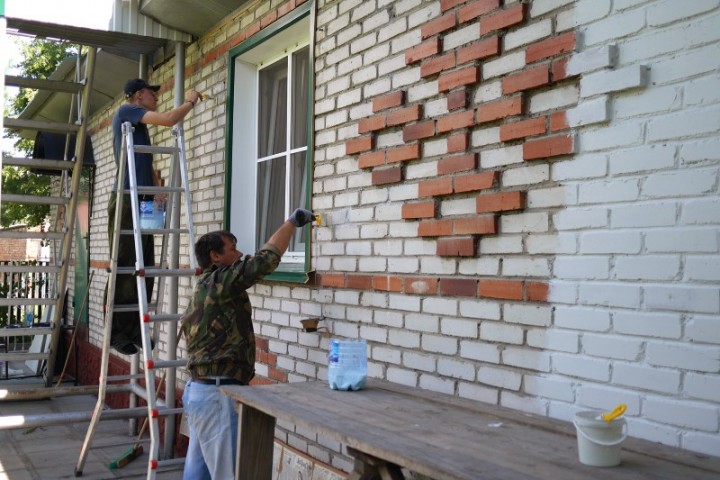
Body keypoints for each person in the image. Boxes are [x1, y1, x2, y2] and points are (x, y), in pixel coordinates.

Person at [180, 208, 316, 480]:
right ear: (215, 256)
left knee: (198, 474)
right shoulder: (219, 282)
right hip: (218, 396)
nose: (240, 253)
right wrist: (292, 222)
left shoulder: (207, 285)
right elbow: (263, 262)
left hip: (201, 392)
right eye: (233, 248)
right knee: (230, 474)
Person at [108, 78, 202, 355]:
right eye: (153, 93)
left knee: (144, 266)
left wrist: (157, 188)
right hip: (127, 198)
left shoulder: (138, 127)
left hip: (144, 200)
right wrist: (191, 100)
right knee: (126, 265)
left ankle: (137, 328)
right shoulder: (126, 111)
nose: (157, 98)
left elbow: (143, 160)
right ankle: (117, 332)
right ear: (139, 95)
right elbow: (170, 119)